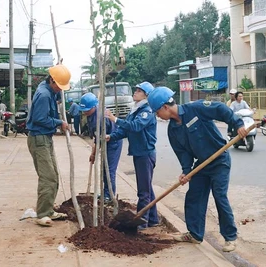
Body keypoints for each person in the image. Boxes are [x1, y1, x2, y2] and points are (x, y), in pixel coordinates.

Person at [147, 86, 247, 252]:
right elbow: (183, 153)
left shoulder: (195, 108)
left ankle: (230, 237)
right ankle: (194, 234)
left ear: (165, 107)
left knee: (219, 196)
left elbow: (220, 109)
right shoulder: (173, 130)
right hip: (201, 165)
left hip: (219, 160)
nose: (157, 115)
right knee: (194, 196)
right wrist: (186, 171)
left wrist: (237, 124)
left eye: (157, 112)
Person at [105, 82, 159, 230]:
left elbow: (135, 127)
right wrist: (111, 136)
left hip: (145, 154)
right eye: (136, 90)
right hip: (138, 152)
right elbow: (125, 130)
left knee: (144, 191)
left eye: (139, 91)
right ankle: (153, 219)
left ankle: (142, 224)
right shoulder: (135, 110)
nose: (135, 92)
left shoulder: (146, 111)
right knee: (147, 188)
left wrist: (114, 119)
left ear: (146, 96)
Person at [26, 64, 70, 227]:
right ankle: (43, 213)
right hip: (39, 139)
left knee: (54, 175)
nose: (60, 89)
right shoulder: (44, 94)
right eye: (59, 86)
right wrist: (59, 122)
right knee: (48, 177)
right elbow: (40, 119)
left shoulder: (48, 91)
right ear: (52, 80)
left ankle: (49, 209)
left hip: (45, 138)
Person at [79, 92, 123, 201]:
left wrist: (93, 154)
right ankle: (106, 192)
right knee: (104, 169)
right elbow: (96, 137)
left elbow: (98, 140)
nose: (85, 112)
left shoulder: (100, 117)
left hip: (113, 142)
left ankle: (109, 196)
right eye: (84, 110)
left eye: (87, 110)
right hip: (104, 140)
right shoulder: (91, 114)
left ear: (94, 107)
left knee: (109, 170)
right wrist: (93, 153)